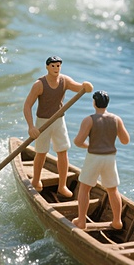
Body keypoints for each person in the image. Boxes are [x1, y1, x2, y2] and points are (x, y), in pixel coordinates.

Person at [23, 56, 92, 198]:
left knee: (62, 151)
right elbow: (27, 106)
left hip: (59, 121)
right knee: (41, 152)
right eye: (53, 66)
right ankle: (36, 181)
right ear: (47, 67)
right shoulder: (39, 84)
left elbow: (79, 88)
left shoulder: (64, 80)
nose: (56, 69)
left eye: (58, 66)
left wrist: (86, 86)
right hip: (43, 122)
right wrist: (31, 127)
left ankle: (62, 185)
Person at [73, 91, 130, 230]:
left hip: (94, 157)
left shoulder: (89, 120)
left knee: (85, 188)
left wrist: (89, 145)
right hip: (110, 158)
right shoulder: (116, 119)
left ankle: (82, 221)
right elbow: (125, 140)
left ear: (94, 103)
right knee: (112, 189)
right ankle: (117, 221)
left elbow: (78, 141)